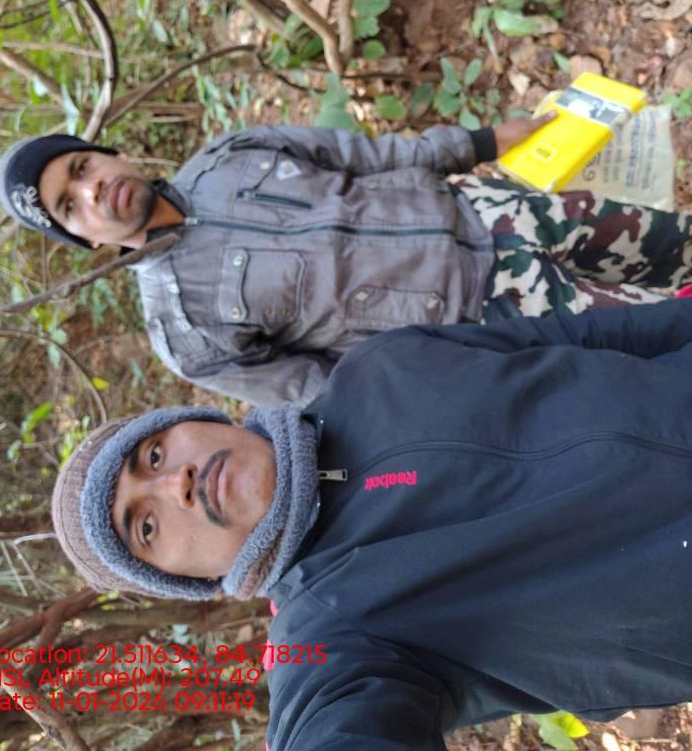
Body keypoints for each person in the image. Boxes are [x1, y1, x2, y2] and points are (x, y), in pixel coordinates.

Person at [53, 299, 692, 749]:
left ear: (190, 421)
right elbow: (334, 724)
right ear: (189, 580)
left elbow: (581, 336)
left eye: (153, 456)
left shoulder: (375, 367)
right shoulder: (332, 630)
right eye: (146, 527)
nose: (176, 484)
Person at [0, 120, 692, 405]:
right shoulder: (187, 331)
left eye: (82, 167)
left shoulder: (226, 156)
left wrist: (483, 141)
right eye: (69, 206)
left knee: (672, 240)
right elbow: (334, 393)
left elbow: (369, 155)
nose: (92, 191)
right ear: (85, 241)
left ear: (107, 153)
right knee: (667, 334)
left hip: (495, 210)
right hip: (498, 317)